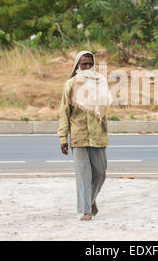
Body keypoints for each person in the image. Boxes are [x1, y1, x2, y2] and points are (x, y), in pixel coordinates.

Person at [58, 50, 112, 221]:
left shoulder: (101, 82)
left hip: (98, 135)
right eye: (84, 64)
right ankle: (87, 210)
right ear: (77, 65)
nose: (87, 67)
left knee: (100, 172)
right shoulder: (70, 84)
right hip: (78, 134)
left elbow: (105, 106)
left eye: (90, 64)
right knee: (83, 174)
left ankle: (90, 199)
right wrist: (62, 137)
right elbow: (64, 112)